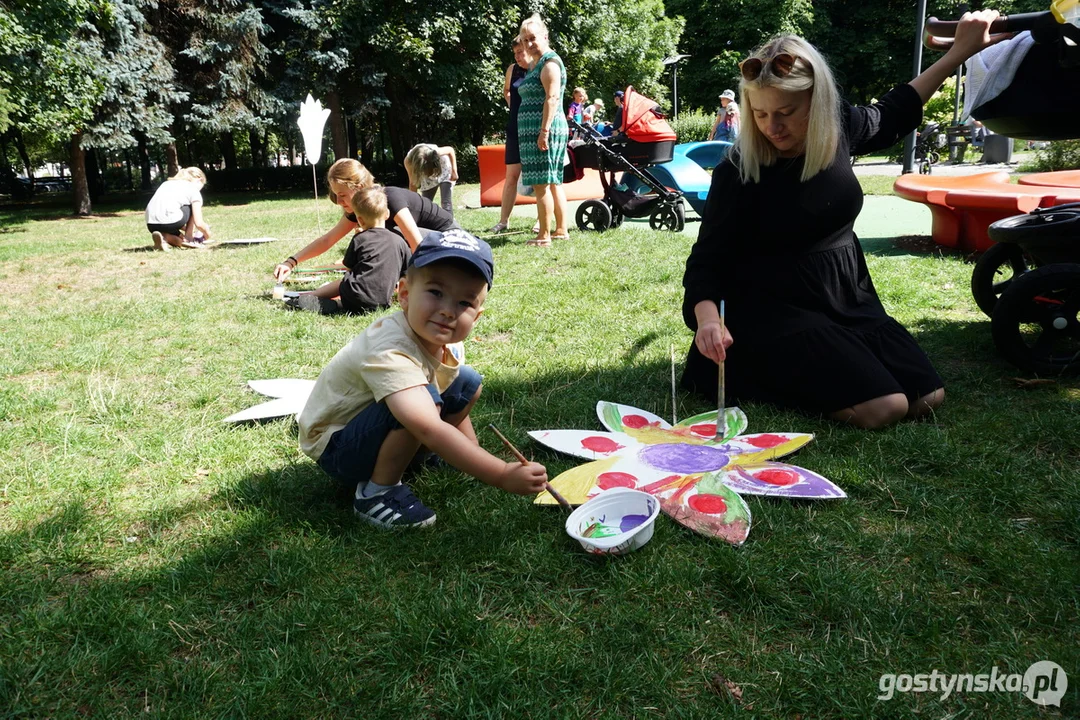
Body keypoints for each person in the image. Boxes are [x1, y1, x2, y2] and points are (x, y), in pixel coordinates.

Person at [681, 11, 1007, 430]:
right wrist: (708, 318)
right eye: (760, 114)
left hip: (846, 297)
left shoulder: (839, 129)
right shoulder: (738, 170)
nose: (771, 127)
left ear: (817, 103)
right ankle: (747, 369)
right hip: (771, 308)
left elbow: (896, 108)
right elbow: (708, 258)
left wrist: (962, 51)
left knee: (927, 397)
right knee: (884, 408)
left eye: (785, 112)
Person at [297, 229, 549, 528]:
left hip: (370, 428)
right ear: (404, 294)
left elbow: (449, 390)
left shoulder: (445, 339)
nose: (447, 311)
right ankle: (376, 493)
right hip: (337, 447)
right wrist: (500, 473)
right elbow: (428, 426)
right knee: (418, 405)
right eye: (435, 293)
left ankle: (429, 457)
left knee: (466, 382)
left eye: (464, 303)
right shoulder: (389, 348)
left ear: (477, 315)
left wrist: (472, 454)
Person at [274, 159, 457, 282]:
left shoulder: (389, 198)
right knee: (380, 237)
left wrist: (424, 284)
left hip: (451, 239)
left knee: (387, 237)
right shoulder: (361, 208)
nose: (338, 201)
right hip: (429, 247)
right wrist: (291, 262)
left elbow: (416, 242)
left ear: (359, 187)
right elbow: (328, 240)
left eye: (342, 195)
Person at [286, 185, 411, 315]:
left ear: (359, 220)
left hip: (353, 296)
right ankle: (340, 305)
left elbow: (350, 269)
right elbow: (406, 275)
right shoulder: (400, 241)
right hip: (382, 302)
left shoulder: (360, 239)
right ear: (387, 214)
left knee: (343, 282)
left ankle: (313, 297)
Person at [517, 13, 570, 247]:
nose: (529, 43)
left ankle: (544, 235)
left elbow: (552, 98)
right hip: (537, 131)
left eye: (532, 38)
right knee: (552, 181)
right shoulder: (535, 64)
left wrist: (544, 131)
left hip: (544, 130)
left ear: (545, 36)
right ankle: (560, 230)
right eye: (525, 39)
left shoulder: (549, 62)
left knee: (542, 184)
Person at [487, 37, 531, 234]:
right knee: (511, 177)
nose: (518, 56)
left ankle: (541, 221)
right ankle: (503, 221)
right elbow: (507, 90)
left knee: (538, 179)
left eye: (521, 52)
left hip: (532, 130)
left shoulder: (540, 67)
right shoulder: (512, 69)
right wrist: (512, 106)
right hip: (514, 129)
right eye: (515, 53)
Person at [145, 167, 212, 251]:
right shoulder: (193, 189)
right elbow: (198, 223)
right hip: (171, 222)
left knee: (175, 234)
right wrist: (207, 234)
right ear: (199, 179)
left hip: (151, 224)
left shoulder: (166, 183)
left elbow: (166, 210)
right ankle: (189, 238)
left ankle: (164, 238)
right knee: (192, 205)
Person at [404, 143, 458, 216]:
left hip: (443, 169)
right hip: (426, 178)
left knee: (446, 203)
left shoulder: (435, 152)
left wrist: (454, 171)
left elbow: (450, 150)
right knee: (426, 204)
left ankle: (450, 224)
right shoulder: (408, 161)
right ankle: (427, 224)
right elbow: (413, 183)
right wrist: (412, 202)